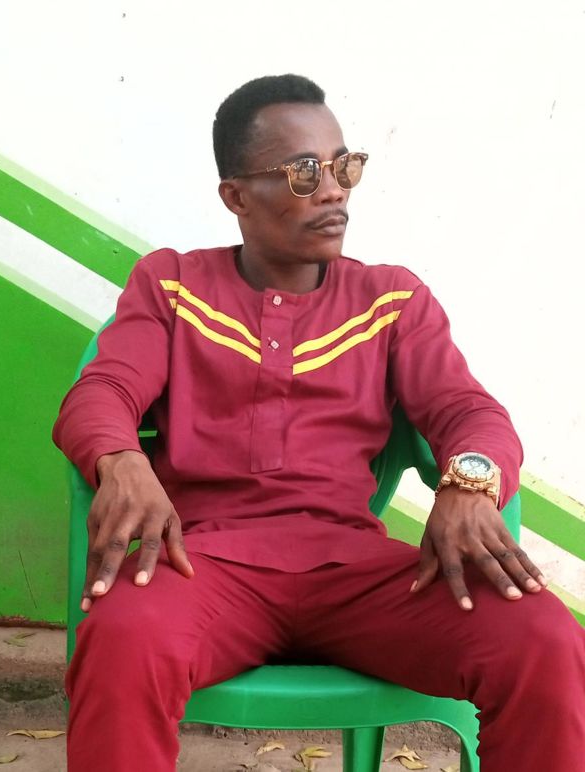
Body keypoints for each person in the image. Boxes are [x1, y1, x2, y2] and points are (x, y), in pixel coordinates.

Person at [53, 74, 585, 771]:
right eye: (305, 172)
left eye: (344, 167)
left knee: (541, 638)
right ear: (237, 196)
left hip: (357, 573)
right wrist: (121, 459)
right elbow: (102, 390)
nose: (333, 190)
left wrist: (470, 481)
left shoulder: (390, 299)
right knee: (123, 637)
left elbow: (468, 411)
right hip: (203, 567)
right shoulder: (173, 285)